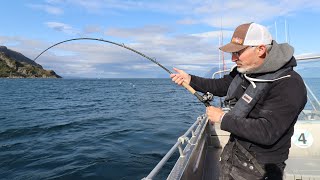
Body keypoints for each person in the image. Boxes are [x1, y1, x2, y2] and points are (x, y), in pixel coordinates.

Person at [170, 22, 307, 180]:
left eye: (238, 52)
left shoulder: (289, 83)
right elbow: (221, 85)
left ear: (261, 49)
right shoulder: (245, 71)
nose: (233, 58)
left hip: (261, 167)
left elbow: (267, 131)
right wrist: (190, 79)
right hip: (234, 154)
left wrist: (222, 118)